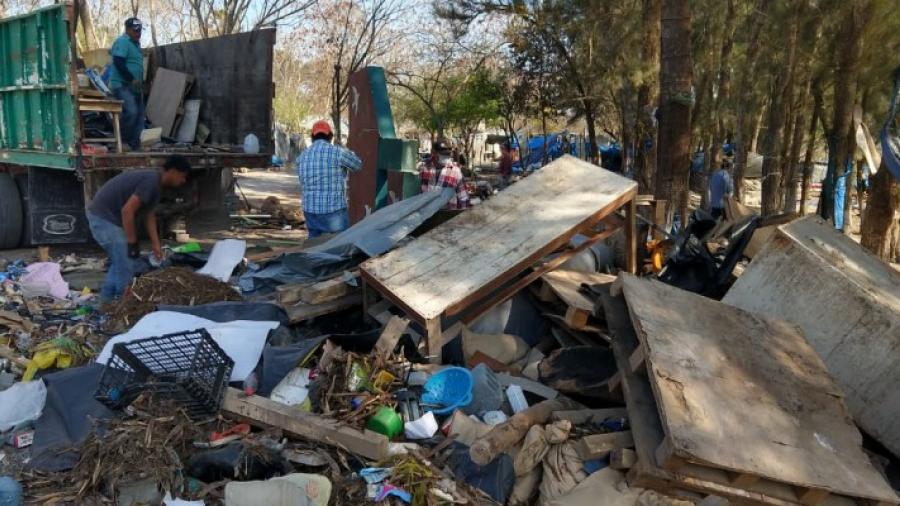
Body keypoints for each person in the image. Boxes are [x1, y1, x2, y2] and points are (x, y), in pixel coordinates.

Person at [87, 155, 191, 301]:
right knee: (126, 264)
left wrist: (156, 244)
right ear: (173, 171)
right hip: (103, 218)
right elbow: (127, 211)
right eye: (182, 176)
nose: (183, 181)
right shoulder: (151, 182)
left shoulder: (156, 185)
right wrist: (132, 242)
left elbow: (149, 215)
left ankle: (106, 302)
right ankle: (122, 304)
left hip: (105, 217)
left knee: (120, 262)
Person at [296, 120, 362, 237]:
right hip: (333, 213)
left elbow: (302, 181)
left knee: (314, 246)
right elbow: (357, 165)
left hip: (310, 212)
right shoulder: (338, 153)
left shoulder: (302, 156)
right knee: (339, 245)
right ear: (330, 136)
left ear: (312, 137)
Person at [109, 18, 145, 151]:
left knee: (139, 116)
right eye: (136, 30)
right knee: (131, 112)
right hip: (123, 85)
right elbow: (118, 62)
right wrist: (131, 78)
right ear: (128, 29)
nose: (138, 32)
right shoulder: (123, 41)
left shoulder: (136, 44)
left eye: (140, 30)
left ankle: (134, 145)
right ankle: (121, 141)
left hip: (135, 87)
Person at [419, 139, 469, 209]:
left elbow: (463, 199)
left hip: (448, 216)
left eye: (448, 154)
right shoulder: (423, 169)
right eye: (442, 154)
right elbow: (417, 195)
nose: (446, 157)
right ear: (433, 152)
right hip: (426, 215)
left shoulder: (456, 172)